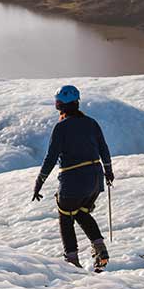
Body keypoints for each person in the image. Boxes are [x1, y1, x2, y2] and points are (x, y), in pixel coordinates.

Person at [32, 85, 113, 270]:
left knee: (66, 215)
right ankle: (100, 247)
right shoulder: (91, 123)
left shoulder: (61, 127)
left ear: (60, 104)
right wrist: (108, 171)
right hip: (95, 179)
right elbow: (104, 148)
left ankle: (72, 260)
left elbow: (51, 157)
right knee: (81, 212)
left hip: (73, 179)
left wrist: (39, 181)